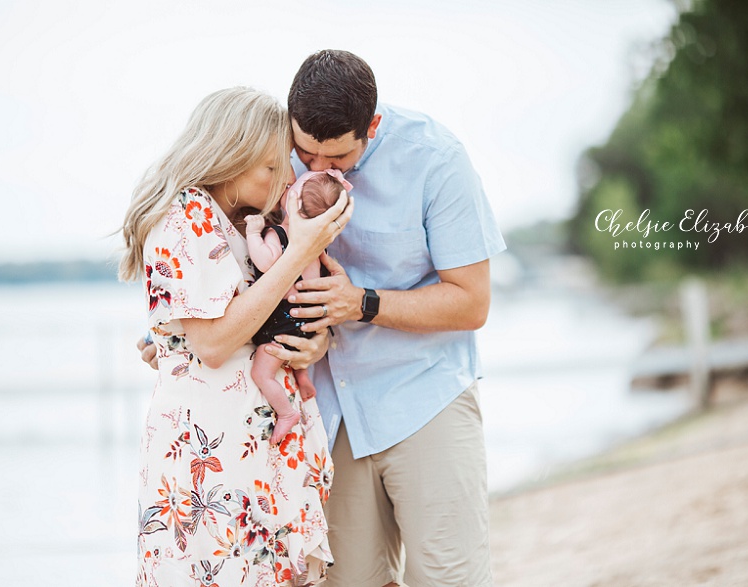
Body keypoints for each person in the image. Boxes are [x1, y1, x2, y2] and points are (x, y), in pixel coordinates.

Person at [138, 51, 505, 587]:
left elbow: (472, 302)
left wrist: (361, 304)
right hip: (325, 413)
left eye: (335, 158)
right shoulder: (270, 154)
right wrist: (168, 330)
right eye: (302, 152)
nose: (313, 169)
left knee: (451, 579)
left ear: (372, 127)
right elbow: (218, 268)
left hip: (422, 399)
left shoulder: (436, 159)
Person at [120, 86, 353, 586]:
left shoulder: (235, 223)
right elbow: (212, 343)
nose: (283, 178)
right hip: (212, 451)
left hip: (248, 444)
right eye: (271, 167)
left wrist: (315, 344)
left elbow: (262, 317)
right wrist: (300, 248)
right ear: (228, 157)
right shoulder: (185, 213)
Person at [245, 169, 353, 445]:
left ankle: (286, 413)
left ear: (291, 202)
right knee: (294, 351)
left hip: (282, 322)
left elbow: (266, 262)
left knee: (261, 371)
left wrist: (254, 233)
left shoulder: (280, 235)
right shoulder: (320, 248)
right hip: (306, 324)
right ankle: (302, 376)